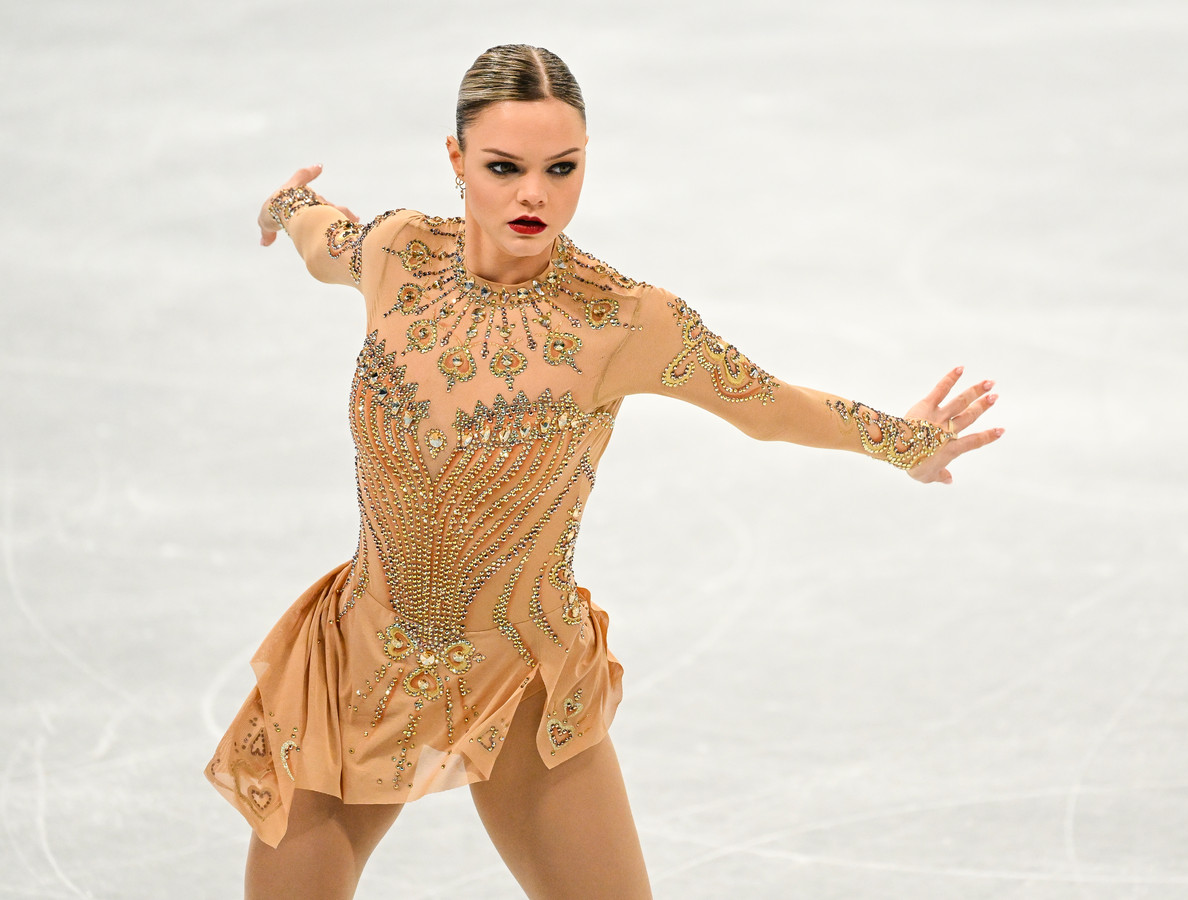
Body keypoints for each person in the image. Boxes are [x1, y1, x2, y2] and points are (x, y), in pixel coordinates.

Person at [206, 43, 1003, 900]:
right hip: (355, 662)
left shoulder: (621, 321)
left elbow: (764, 404)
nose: (534, 196)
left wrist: (902, 440)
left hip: (521, 677)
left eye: (562, 168)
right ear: (456, 158)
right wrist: (289, 202)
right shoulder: (401, 254)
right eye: (503, 167)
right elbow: (327, 239)